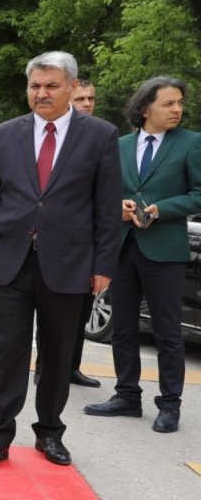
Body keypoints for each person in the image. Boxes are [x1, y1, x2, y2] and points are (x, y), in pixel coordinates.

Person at [0, 51, 121, 471]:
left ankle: (50, 432)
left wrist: (103, 265)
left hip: (70, 261)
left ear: (72, 87)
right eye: (35, 86)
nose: (42, 93)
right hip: (9, 259)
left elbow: (107, 207)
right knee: (8, 350)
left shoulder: (100, 135)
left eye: (52, 85)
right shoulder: (4, 135)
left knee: (57, 352)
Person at [83, 77, 201, 433]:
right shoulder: (118, 145)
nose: (177, 109)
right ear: (145, 108)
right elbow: (99, 191)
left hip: (165, 251)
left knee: (167, 332)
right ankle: (127, 396)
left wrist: (162, 209)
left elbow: (198, 193)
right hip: (122, 246)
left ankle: (169, 405)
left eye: (179, 103)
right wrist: (116, 207)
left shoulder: (191, 143)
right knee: (122, 327)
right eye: (168, 103)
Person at [36, 77, 103, 388]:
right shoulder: (55, 140)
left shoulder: (101, 137)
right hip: (55, 244)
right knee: (51, 311)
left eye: (91, 99)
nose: (86, 104)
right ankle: (46, 366)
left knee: (81, 311)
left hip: (87, 242)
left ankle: (70, 366)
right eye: (80, 99)